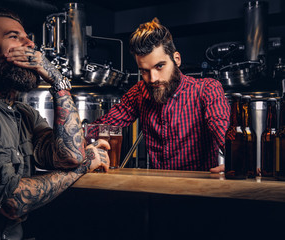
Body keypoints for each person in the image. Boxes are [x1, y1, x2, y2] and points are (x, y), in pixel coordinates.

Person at [0, 9, 110, 240]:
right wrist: (84, 167)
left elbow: (71, 156)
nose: (31, 44)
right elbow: (11, 201)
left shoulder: (25, 114)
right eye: (14, 36)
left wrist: (57, 81)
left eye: (28, 37)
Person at [94, 18, 230, 172]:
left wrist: (237, 160)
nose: (153, 79)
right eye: (144, 71)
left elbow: (223, 129)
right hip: (156, 189)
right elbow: (101, 126)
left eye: (159, 66)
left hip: (199, 190)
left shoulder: (207, 89)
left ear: (176, 59)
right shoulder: (139, 91)